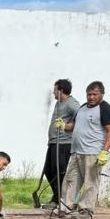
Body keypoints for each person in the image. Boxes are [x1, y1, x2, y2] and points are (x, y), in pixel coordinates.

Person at [59, 81, 110, 219]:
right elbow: (73, 125)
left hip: (93, 152)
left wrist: (105, 151)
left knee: (90, 182)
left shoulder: (106, 109)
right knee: (71, 180)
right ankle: (66, 207)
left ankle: (85, 209)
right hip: (77, 151)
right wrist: (63, 125)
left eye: (94, 94)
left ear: (101, 94)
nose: (91, 97)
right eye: (89, 94)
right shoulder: (82, 108)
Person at [42, 79, 78, 209]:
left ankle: (59, 200)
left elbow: (80, 118)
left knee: (59, 171)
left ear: (61, 90)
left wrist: (66, 126)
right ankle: (58, 197)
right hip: (54, 141)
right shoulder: (59, 102)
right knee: (49, 171)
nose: (53, 92)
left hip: (63, 142)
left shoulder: (72, 104)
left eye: (55, 89)